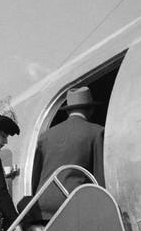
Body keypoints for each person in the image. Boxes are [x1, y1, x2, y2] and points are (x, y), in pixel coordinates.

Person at [32, 86, 105, 220]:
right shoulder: (96, 132)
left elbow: (36, 175)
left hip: (42, 205)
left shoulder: (46, 136)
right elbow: (99, 174)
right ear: (91, 109)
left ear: (68, 112)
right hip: (72, 201)